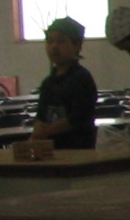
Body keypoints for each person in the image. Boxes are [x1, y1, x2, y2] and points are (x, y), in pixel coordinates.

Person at [31, 16, 96, 149]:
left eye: (61, 41)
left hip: (78, 149)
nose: (54, 47)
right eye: (50, 41)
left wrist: (46, 131)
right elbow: (41, 117)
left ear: (77, 46)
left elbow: (78, 118)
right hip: (52, 150)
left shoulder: (81, 78)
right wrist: (35, 136)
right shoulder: (48, 82)